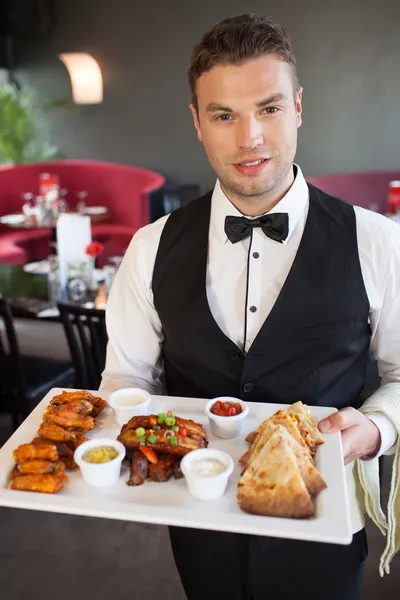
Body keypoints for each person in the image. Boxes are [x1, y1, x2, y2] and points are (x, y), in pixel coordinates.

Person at [100, 13, 400, 600]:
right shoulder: (149, 247)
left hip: (324, 531)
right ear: (196, 122)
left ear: (298, 107)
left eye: (268, 108)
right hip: (198, 526)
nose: (250, 139)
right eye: (223, 115)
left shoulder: (377, 241)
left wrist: (376, 428)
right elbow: (127, 377)